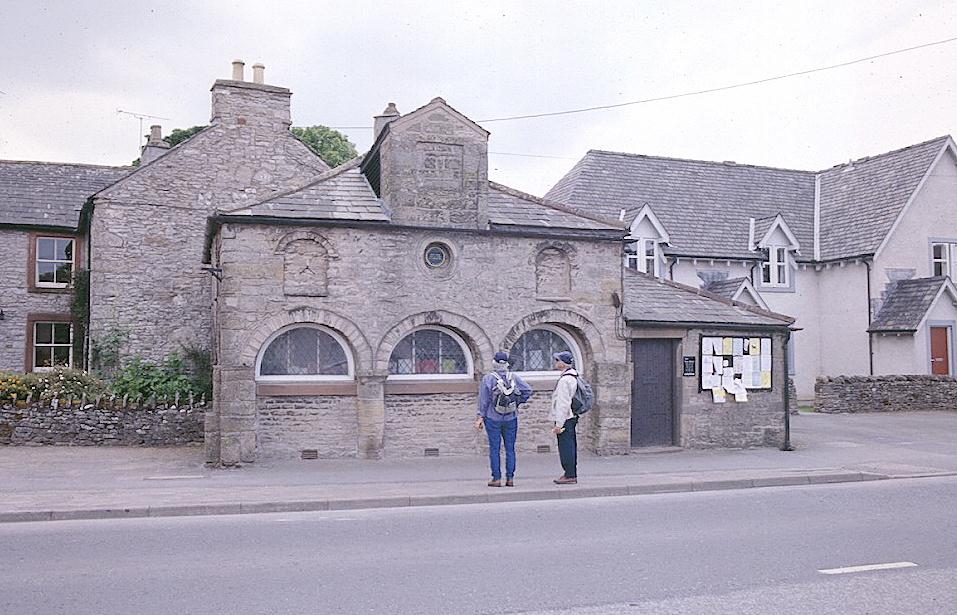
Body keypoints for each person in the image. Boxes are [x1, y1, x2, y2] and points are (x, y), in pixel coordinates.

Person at [475, 351, 532, 487]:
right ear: (506, 364)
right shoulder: (514, 377)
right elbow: (528, 390)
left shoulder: (488, 378)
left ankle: (496, 478)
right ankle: (510, 478)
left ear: (494, 362)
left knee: (494, 448)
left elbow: (483, 400)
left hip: (492, 417)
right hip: (511, 417)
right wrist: (517, 403)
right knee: (510, 448)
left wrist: (480, 417)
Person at [551, 350, 579, 484]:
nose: (556, 362)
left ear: (563, 363)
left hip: (565, 418)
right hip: (572, 417)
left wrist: (558, 424)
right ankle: (571, 472)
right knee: (571, 445)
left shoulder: (564, 380)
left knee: (565, 447)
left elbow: (563, 403)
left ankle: (569, 474)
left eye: (557, 360)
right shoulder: (573, 377)